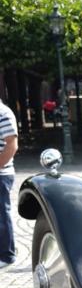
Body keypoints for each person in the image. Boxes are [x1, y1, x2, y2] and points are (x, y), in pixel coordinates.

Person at [0, 97, 19, 269]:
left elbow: (12, 145)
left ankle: (7, 255)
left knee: (2, 214)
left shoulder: (3, 113)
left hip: (2, 173)